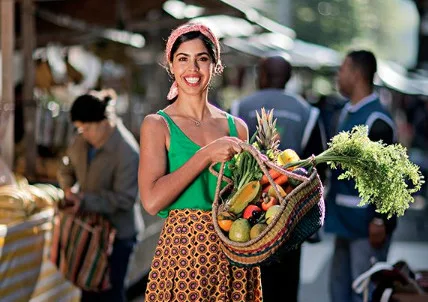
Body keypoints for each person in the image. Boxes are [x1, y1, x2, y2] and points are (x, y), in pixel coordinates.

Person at [139, 23, 262, 301]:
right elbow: (152, 201)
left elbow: (249, 198)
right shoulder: (158, 125)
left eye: (202, 59)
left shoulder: (237, 128)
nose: (192, 69)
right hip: (183, 255)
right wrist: (206, 153)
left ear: (215, 66)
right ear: (171, 65)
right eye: (183, 59)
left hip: (234, 253)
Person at [231, 55, 326, 302]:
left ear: (261, 76)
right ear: (288, 78)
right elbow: (318, 168)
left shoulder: (239, 108)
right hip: (291, 213)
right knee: (286, 281)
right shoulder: (308, 112)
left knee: (251, 281)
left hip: (248, 214)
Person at [57, 89, 143, 302]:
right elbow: (66, 167)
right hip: (89, 229)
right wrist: (68, 188)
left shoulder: (127, 151)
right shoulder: (81, 140)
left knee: (110, 294)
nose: (83, 133)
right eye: (79, 128)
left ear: (104, 122)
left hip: (119, 236)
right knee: (88, 289)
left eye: (86, 128)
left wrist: (84, 200)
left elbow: (125, 198)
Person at [325, 50, 397, 302]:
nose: (338, 75)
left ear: (356, 74)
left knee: (364, 290)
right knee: (339, 288)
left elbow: (388, 176)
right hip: (342, 217)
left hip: (366, 223)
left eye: (342, 69)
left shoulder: (377, 120)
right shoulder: (345, 112)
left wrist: (380, 219)